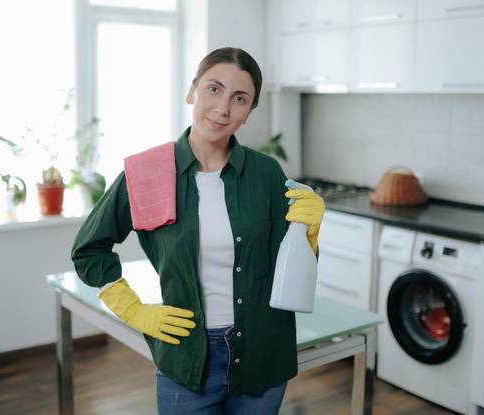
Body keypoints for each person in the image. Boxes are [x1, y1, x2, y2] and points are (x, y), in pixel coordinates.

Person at [71, 47, 325, 414]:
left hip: (263, 352)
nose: (223, 108)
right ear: (192, 92)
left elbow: (291, 272)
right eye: (213, 89)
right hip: (188, 356)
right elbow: (88, 250)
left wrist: (309, 234)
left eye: (240, 98)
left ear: (250, 110)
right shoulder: (147, 174)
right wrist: (135, 310)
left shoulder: (267, 174)